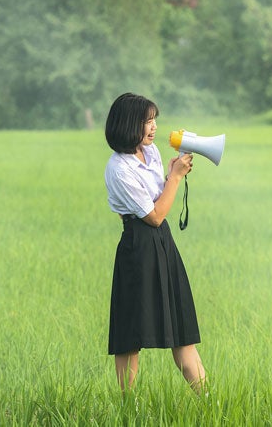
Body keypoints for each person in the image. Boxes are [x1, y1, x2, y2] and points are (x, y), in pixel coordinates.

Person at [104, 92, 206, 393]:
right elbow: (155, 215)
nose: (153, 127)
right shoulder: (119, 169)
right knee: (130, 334)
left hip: (163, 244)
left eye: (154, 120)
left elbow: (161, 202)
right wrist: (174, 178)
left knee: (182, 328)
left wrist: (173, 175)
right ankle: (128, 407)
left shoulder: (151, 154)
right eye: (146, 121)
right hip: (138, 246)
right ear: (127, 125)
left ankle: (210, 404)